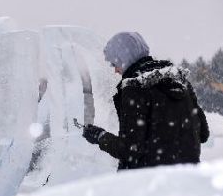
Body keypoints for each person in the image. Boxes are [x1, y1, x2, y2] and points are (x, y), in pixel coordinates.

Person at [82, 32, 209, 170]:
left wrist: (100, 136)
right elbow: (203, 134)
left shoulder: (135, 88)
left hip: (149, 182)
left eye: (115, 64)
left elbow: (130, 150)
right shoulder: (180, 81)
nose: (116, 71)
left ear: (125, 59)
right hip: (186, 178)